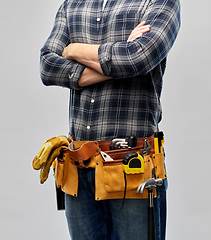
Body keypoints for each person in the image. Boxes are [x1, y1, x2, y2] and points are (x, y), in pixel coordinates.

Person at [39, 0, 180, 239]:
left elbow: (138, 58)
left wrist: (72, 50)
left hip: (131, 169)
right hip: (78, 168)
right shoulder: (72, 5)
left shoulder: (158, 3)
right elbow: (47, 66)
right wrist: (121, 51)